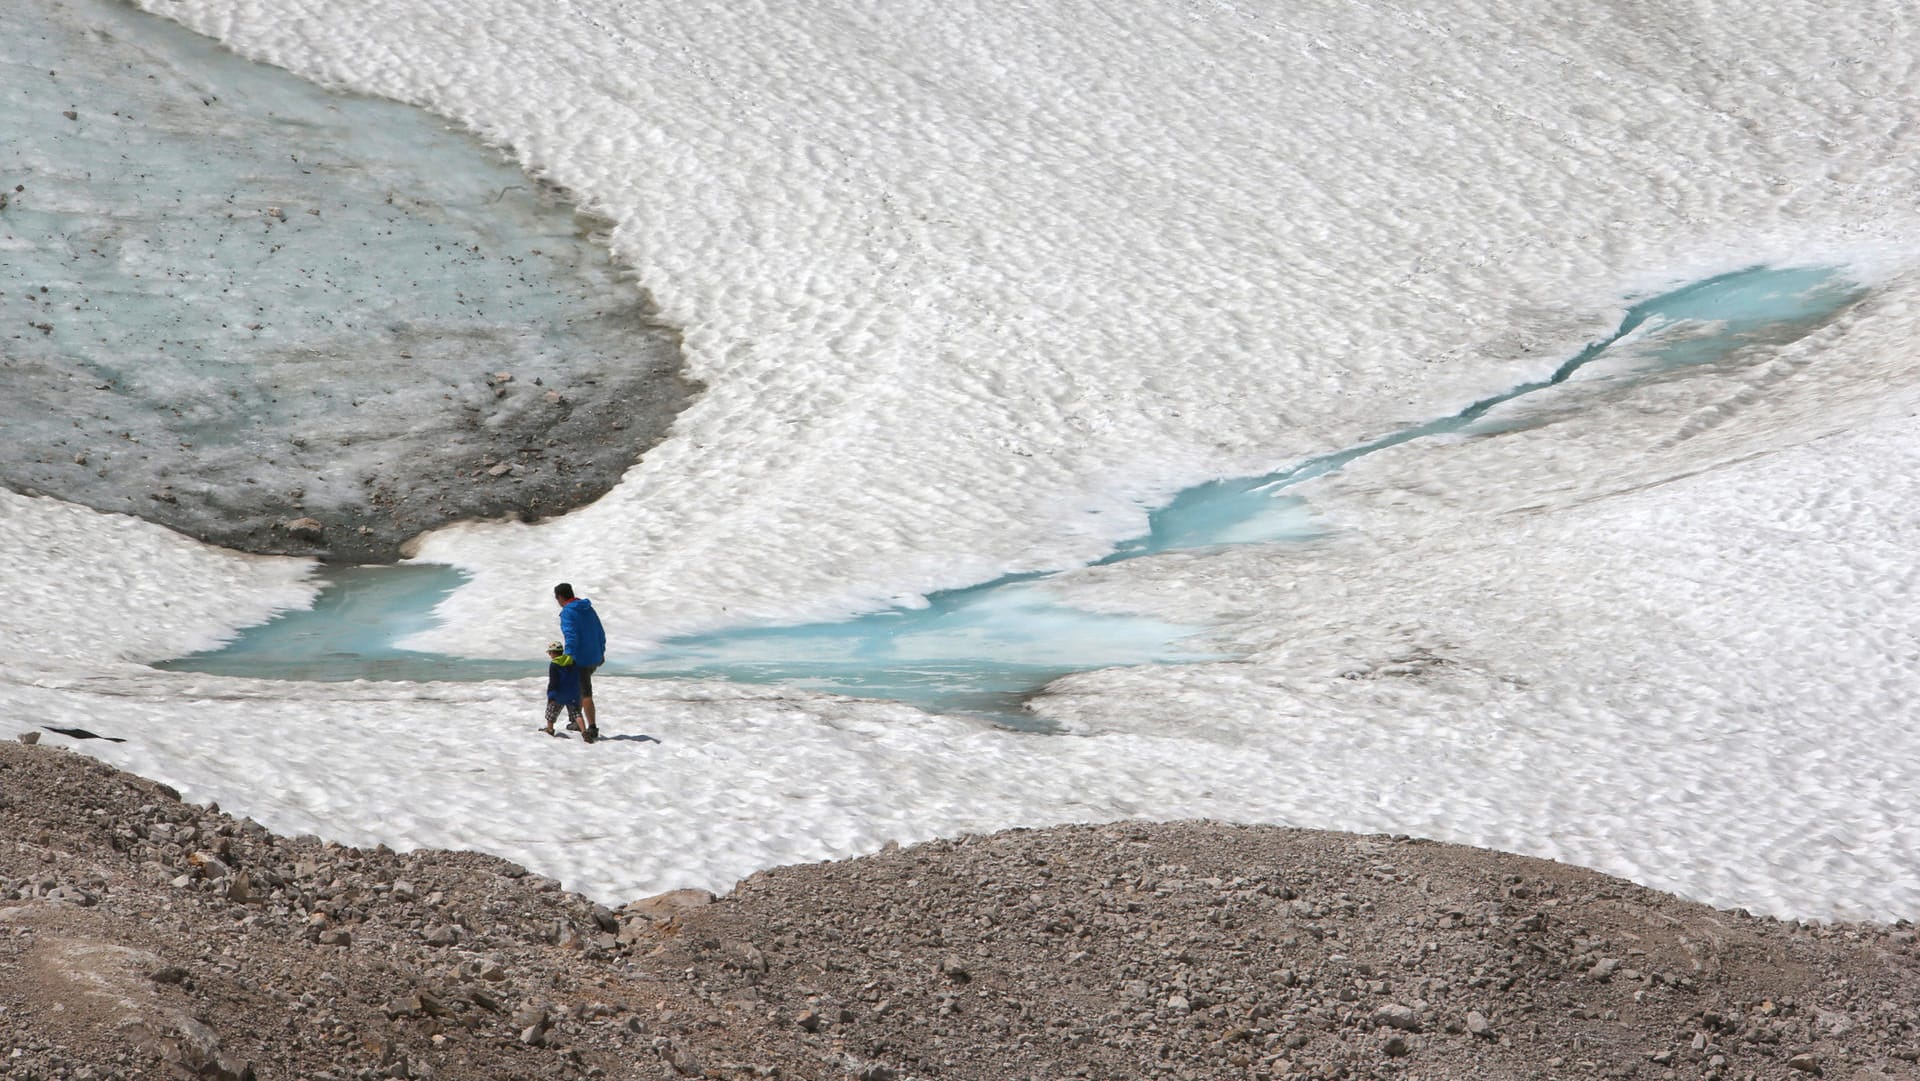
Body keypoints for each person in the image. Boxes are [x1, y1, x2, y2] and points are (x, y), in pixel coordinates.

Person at [552, 582, 606, 742]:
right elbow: (600, 632)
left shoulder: (568, 613)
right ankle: (577, 722)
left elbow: (571, 638)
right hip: (595, 656)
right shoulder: (587, 608)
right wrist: (601, 651)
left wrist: (567, 658)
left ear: (560, 597)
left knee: (585, 692)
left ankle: (592, 727)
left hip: (581, 659)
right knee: (578, 689)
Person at [542, 641, 585, 737]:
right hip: (572, 692)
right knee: (576, 713)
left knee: (551, 711)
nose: (549, 655)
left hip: (558, 693)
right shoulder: (572, 661)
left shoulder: (554, 664)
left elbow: (553, 681)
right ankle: (584, 731)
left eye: (550, 653)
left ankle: (550, 729)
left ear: (553, 653)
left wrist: (551, 695)